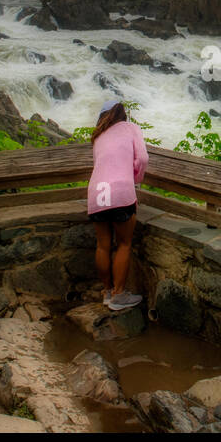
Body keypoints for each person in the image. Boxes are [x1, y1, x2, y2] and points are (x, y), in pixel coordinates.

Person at [87, 99, 148, 310]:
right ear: (123, 114)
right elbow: (142, 158)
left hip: (96, 192)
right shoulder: (131, 128)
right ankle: (119, 296)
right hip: (120, 191)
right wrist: (135, 179)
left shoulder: (98, 135)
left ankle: (106, 292)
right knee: (124, 243)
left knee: (103, 245)